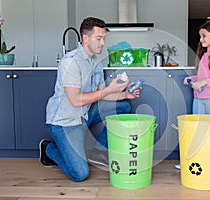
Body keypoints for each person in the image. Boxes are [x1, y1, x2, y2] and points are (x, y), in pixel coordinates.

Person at [39, 17, 140, 182]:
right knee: (80, 174)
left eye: (103, 39)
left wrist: (123, 94)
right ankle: (48, 149)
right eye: (98, 38)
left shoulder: (96, 62)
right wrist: (109, 89)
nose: (102, 43)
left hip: (85, 113)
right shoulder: (70, 62)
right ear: (85, 38)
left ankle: (100, 152)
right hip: (65, 121)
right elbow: (75, 100)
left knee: (123, 106)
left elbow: (101, 92)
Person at [175, 21, 210, 175]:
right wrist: (191, 78)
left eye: (204, 36)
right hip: (198, 98)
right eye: (200, 36)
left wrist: (204, 82)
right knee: (197, 131)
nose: (201, 39)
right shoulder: (204, 55)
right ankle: (193, 160)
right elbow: (202, 77)